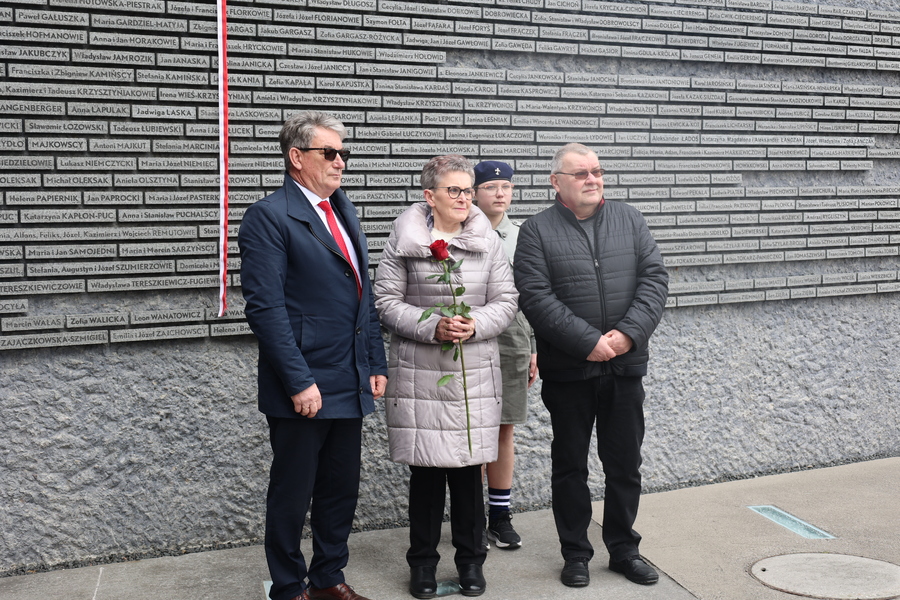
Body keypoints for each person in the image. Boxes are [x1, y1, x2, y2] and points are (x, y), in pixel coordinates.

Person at [238, 110, 388, 600]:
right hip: (304, 383)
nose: (340, 161)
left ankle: (328, 578)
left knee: (340, 488)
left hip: (349, 377)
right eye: (330, 152)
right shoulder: (269, 216)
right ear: (296, 157)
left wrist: (375, 362)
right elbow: (266, 309)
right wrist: (299, 381)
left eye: (344, 153)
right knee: (293, 491)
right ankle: (288, 587)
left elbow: (363, 296)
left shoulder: (343, 210)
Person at [513, 143, 668, 589]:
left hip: (624, 366)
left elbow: (654, 279)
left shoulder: (629, 219)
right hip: (570, 371)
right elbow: (535, 296)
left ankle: (624, 550)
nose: (592, 179)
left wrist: (627, 335)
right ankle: (576, 553)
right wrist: (588, 343)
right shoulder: (536, 231)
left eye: (596, 171)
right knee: (570, 467)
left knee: (625, 464)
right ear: (556, 182)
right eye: (580, 173)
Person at [374, 155, 518, 599]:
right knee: (427, 477)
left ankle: (471, 562)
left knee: (469, 475)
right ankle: (422, 565)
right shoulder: (405, 239)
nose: (463, 198)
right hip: (422, 374)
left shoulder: (487, 239)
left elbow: (506, 299)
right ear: (429, 196)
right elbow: (385, 301)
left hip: (473, 375)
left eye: (467, 190)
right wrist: (431, 325)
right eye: (453, 190)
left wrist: (474, 324)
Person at [471, 161, 537, 551]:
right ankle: (471, 517)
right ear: (474, 192)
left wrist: (534, 347)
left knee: (503, 428)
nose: (500, 193)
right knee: (472, 427)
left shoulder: (524, 236)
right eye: (491, 186)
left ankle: (499, 515)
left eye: (506, 187)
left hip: (513, 339)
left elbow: (535, 295)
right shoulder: (462, 229)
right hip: (470, 338)